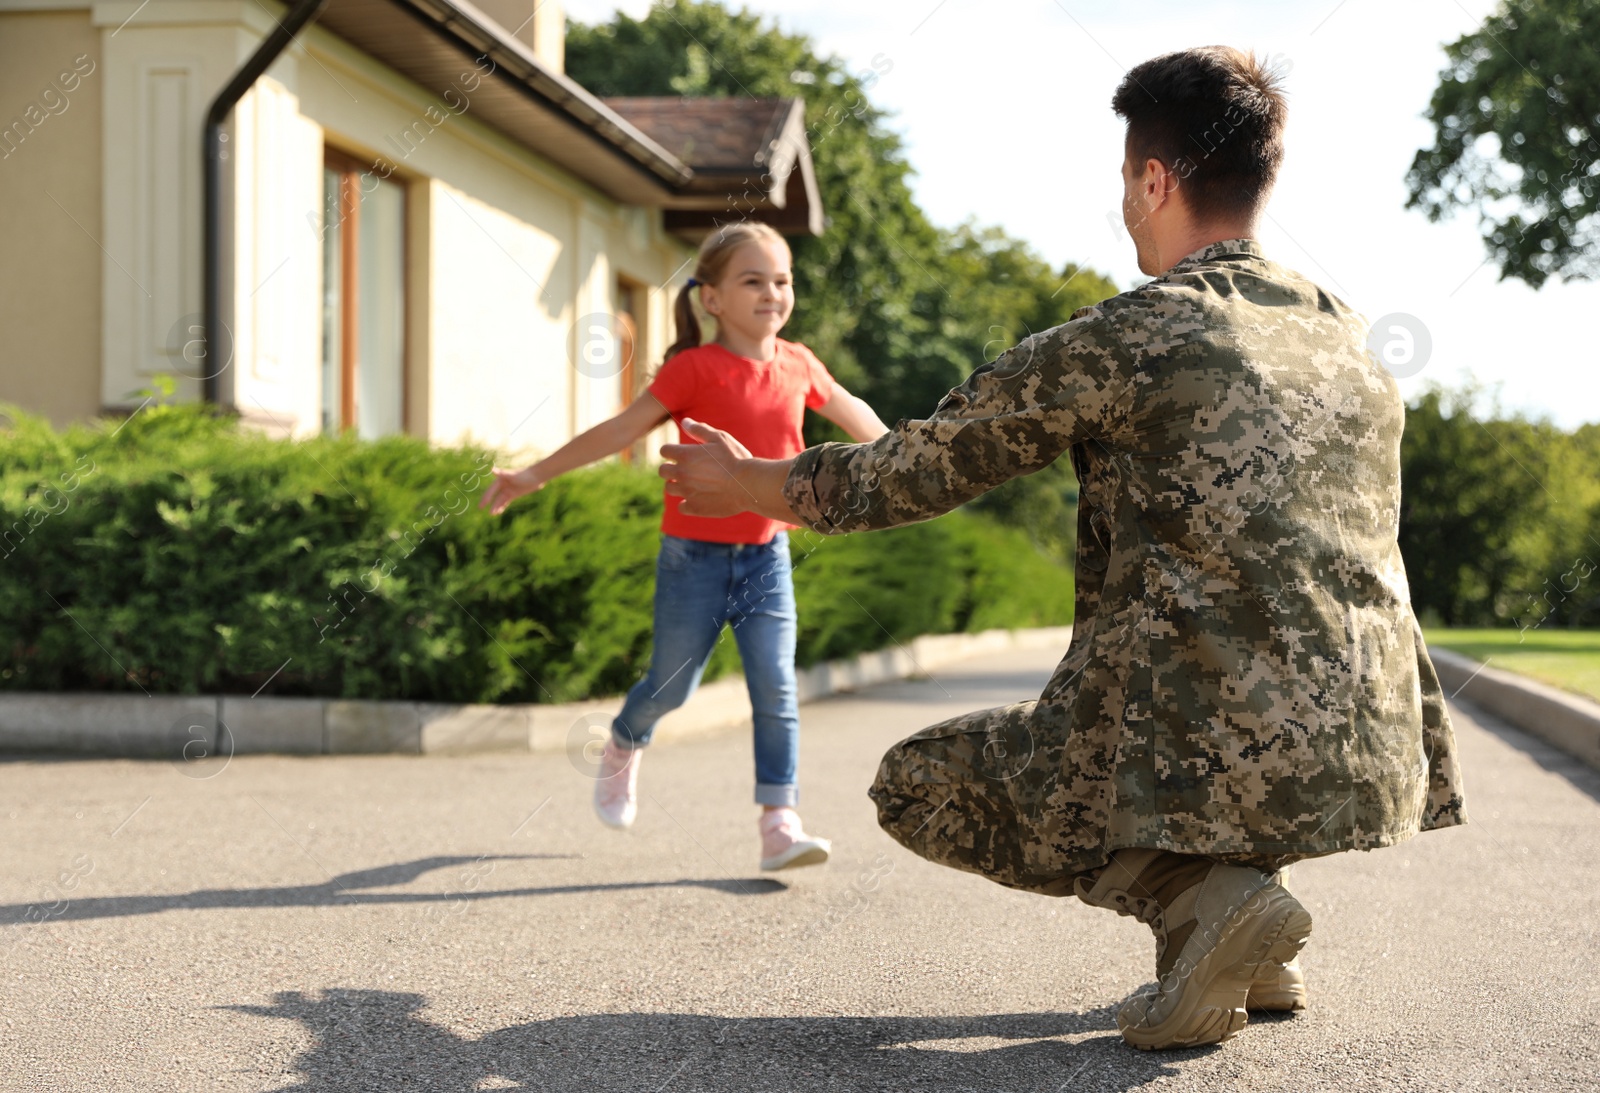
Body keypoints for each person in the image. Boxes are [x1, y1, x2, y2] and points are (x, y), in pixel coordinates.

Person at [654, 47, 1467, 1049]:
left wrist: (748, 483)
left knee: (917, 778)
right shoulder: (1352, 342)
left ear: (1154, 179)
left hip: (1222, 744)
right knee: (1225, 660)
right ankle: (1250, 931)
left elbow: (920, 468)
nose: (1125, 200)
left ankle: (1205, 897)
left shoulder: (1133, 334)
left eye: (1128, 178)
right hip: (1367, 756)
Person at [480, 221, 890, 871]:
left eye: (781, 280)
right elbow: (619, 430)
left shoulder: (800, 363)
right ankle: (623, 739)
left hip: (767, 557)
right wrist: (533, 474)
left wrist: (906, 458)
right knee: (671, 688)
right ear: (712, 298)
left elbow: (854, 411)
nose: (771, 293)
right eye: (752, 280)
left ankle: (779, 822)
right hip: (691, 558)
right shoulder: (692, 369)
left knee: (777, 689)